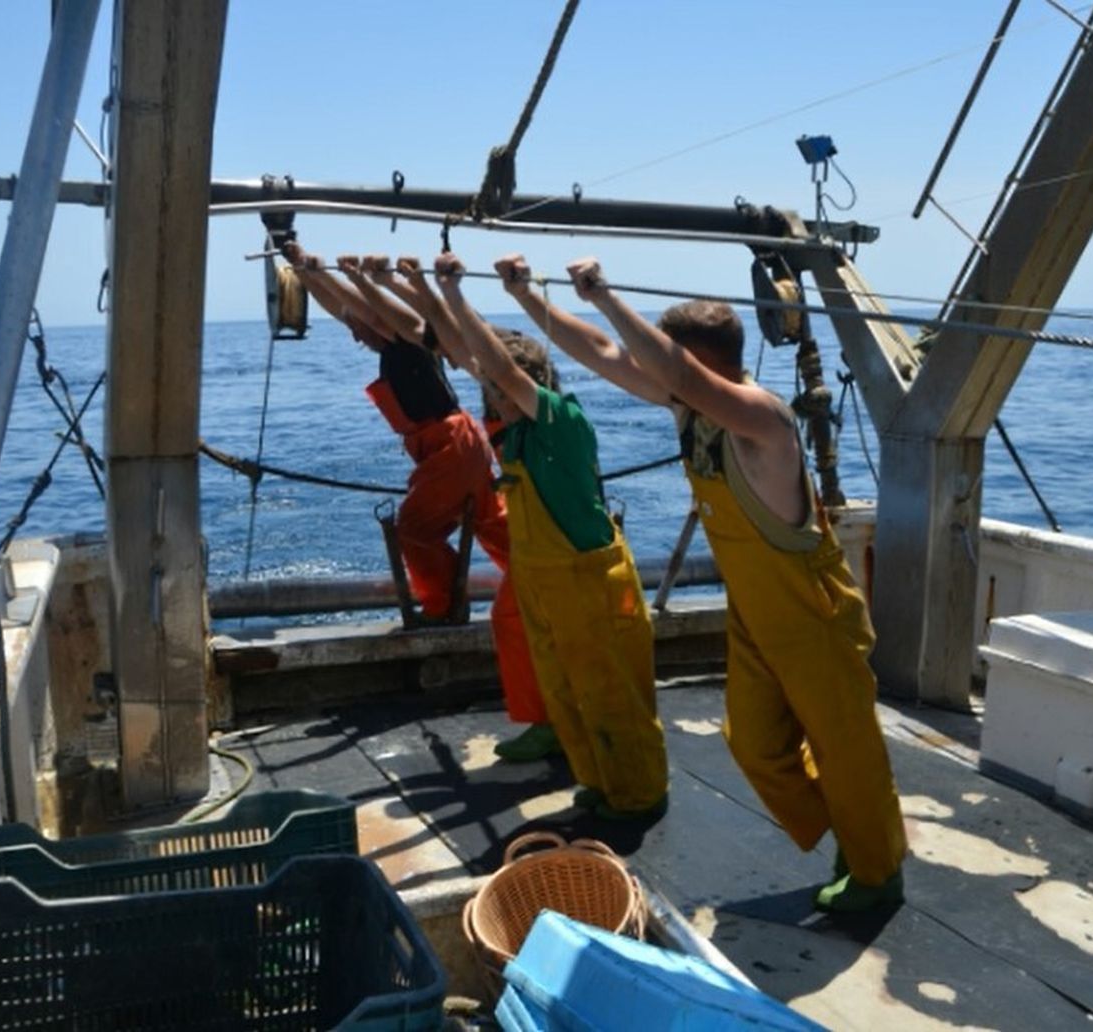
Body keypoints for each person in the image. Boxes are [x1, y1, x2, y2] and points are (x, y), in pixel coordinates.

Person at [500, 251, 906, 911]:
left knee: (848, 750)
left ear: (703, 362)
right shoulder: (690, 409)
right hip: (753, 613)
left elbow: (667, 365)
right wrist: (528, 299)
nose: (651, 373)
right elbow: (605, 351)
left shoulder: (763, 419)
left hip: (811, 613)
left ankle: (877, 873)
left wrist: (606, 294)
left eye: (667, 360)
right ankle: (852, 831)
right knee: (753, 745)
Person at [404, 251, 668, 820]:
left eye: (499, 393)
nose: (491, 401)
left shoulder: (560, 421)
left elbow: (497, 368)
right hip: (550, 584)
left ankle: (641, 795)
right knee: (569, 694)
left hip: (591, 582)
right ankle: (598, 781)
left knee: (612, 697)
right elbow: (471, 359)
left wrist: (454, 295)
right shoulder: (515, 433)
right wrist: (429, 292)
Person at [282, 242, 557, 763]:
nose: (354, 333)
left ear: (376, 321)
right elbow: (341, 306)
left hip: (449, 443)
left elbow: (364, 308)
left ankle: (444, 605)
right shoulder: (388, 342)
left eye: (360, 325)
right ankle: (537, 576)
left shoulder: (403, 337)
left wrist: (358, 279)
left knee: (415, 528)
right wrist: (307, 269)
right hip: (459, 440)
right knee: (494, 524)